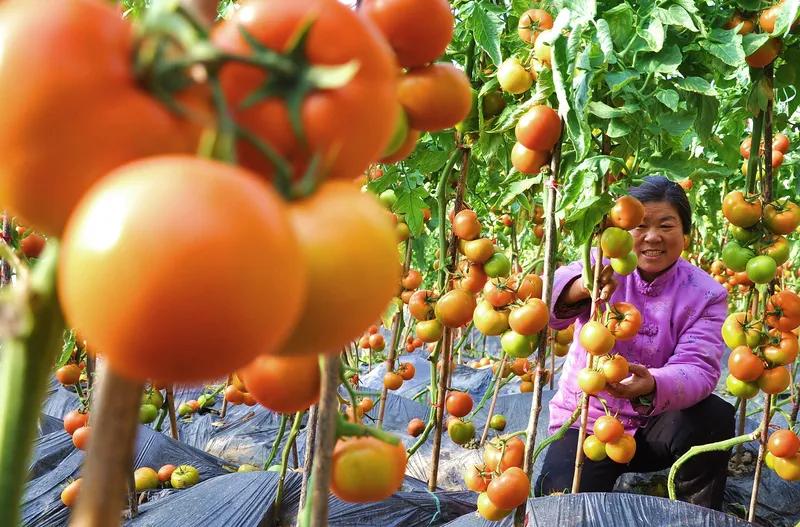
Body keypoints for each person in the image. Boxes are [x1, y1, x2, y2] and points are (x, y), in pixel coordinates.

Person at [534, 175, 735, 510]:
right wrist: (583, 287)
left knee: (714, 416)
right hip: (588, 423)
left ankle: (698, 513)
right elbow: (547, 301)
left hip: (655, 426)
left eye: (666, 225)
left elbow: (699, 367)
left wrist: (654, 384)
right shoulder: (602, 268)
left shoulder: (706, 293)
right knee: (558, 503)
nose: (652, 237)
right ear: (623, 230)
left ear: (685, 234)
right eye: (640, 226)